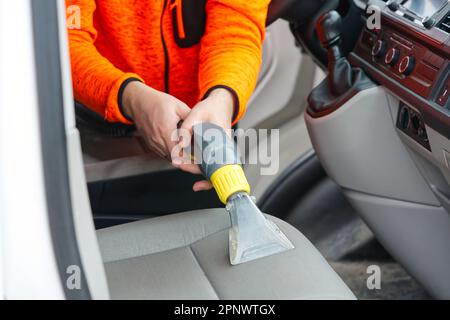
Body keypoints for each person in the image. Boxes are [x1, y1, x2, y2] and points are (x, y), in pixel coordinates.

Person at [66, 0, 269, 191]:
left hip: (204, 122)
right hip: (104, 121)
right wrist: (130, 98)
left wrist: (222, 98)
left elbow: (236, 28)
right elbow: (65, 40)